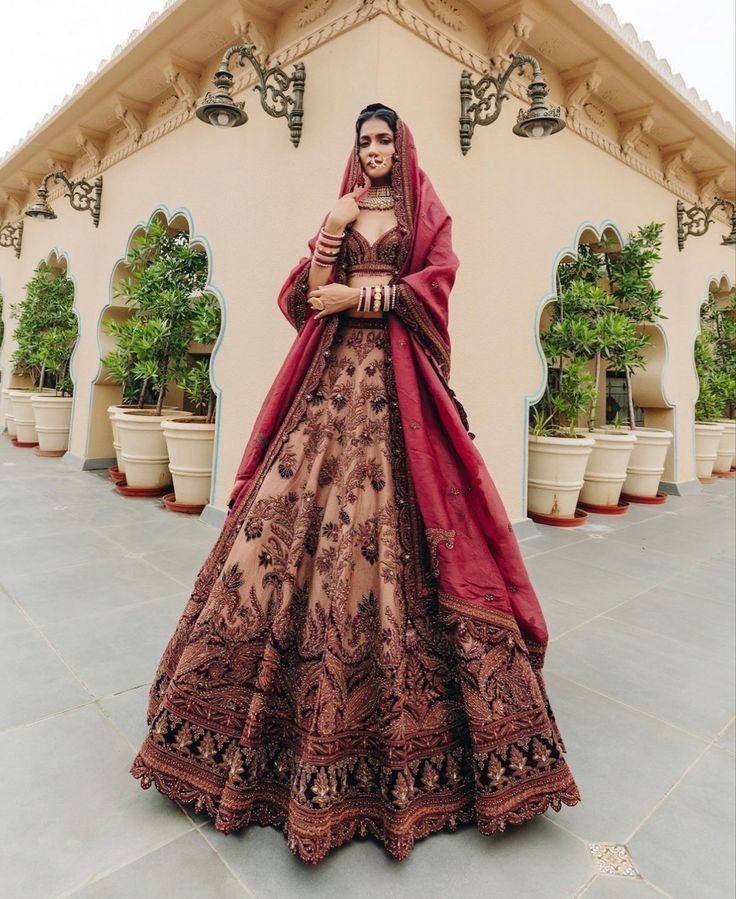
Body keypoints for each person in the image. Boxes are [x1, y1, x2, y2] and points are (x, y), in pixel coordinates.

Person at [130, 103, 581, 864]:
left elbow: (436, 285)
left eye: (382, 140)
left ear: (399, 146)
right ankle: (239, 734)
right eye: (363, 140)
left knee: (390, 550)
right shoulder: (341, 206)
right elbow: (307, 293)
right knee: (273, 535)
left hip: (396, 392)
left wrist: (362, 296)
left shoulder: (423, 205)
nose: (372, 150)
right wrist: (333, 234)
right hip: (329, 382)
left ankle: (402, 756)